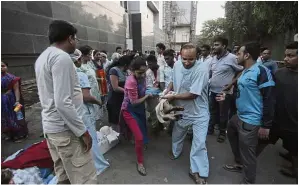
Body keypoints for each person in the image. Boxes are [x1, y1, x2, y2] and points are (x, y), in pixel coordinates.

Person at [34, 20, 97, 184]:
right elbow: (62, 102)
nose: (76, 42)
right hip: (66, 132)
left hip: (52, 130)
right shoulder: (61, 58)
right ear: (70, 38)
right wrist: (83, 132)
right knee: (85, 179)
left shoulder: (43, 58)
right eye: (75, 39)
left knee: (64, 178)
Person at [221, 42, 275, 184]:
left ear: (247, 55)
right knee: (231, 131)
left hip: (251, 120)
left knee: (248, 154)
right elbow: (243, 93)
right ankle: (239, 163)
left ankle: (248, 181)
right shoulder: (244, 71)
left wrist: (266, 125)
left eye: (239, 53)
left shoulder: (262, 71)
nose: (236, 56)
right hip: (239, 116)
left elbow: (269, 99)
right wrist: (227, 96)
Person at [163, 43, 210, 184]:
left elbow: (194, 94)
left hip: (199, 112)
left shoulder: (202, 69)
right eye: (184, 58)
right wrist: (167, 91)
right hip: (181, 109)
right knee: (177, 133)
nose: (187, 62)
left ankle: (198, 171)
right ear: (180, 55)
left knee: (199, 142)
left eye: (191, 59)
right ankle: (175, 151)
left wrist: (174, 97)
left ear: (197, 57)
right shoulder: (177, 65)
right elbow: (172, 80)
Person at [71, 49, 110, 176]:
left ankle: (83, 165)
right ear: (78, 59)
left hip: (71, 111)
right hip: (83, 110)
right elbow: (86, 97)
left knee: (77, 141)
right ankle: (97, 165)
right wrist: (98, 103)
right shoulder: (80, 74)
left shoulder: (63, 74)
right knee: (89, 138)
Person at [120, 56, 151, 176]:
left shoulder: (142, 77)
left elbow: (144, 90)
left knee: (142, 131)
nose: (143, 75)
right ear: (133, 70)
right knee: (139, 137)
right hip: (129, 110)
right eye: (140, 73)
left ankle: (139, 144)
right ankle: (140, 162)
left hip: (140, 108)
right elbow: (134, 102)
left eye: (144, 72)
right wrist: (147, 97)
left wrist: (150, 92)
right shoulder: (131, 81)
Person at [208, 36, 243, 143]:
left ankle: (222, 132)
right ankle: (210, 128)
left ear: (224, 46)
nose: (214, 47)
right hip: (212, 91)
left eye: (217, 45)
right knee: (212, 111)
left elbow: (242, 71)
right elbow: (212, 73)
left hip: (224, 92)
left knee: (223, 113)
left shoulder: (232, 58)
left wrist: (232, 83)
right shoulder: (213, 58)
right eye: (214, 45)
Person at [271, 42, 298, 179]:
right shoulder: (279, 73)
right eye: (286, 55)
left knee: (294, 146)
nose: (286, 58)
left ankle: (295, 171)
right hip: (277, 118)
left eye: (291, 56)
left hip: (294, 122)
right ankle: (244, 163)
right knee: (262, 141)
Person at [1, 61, 28, 142]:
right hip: (1, 101)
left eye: (3, 66)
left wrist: (17, 101)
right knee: (4, 118)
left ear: (6, 66)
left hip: (11, 100)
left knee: (15, 117)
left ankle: (19, 135)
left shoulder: (12, 78)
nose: (1, 68)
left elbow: (16, 90)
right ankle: (8, 134)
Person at [106, 56, 131, 129]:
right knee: (115, 120)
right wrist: (128, 92)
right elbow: (115, 87)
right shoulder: (114, 71)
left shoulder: (126, 71)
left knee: (123, 119)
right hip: (115, 99)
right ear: (125, 65)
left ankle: (123, 136)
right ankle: (115, 137)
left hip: (123, 99)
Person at [79, 45, 103, 121]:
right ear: (83, 55)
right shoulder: (80, 67)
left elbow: (92, 76)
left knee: (95, 115)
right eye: (89, 54)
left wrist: (98, 79)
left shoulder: (89, 64)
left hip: (95, 91)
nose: (90, 56)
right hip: (87, 93)